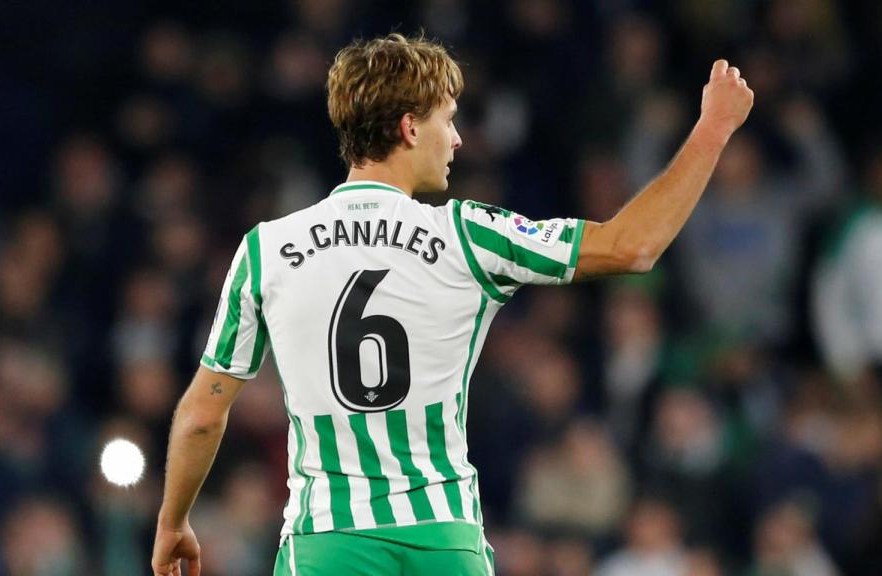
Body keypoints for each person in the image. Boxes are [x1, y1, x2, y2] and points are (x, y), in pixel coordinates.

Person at [151, 33, 752, 576]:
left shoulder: (267, 250)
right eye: (449, 119)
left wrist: (173, 522)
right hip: (444, 537)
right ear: (411, 128)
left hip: (328, 539)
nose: (458, 139)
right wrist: (713, 130)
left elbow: (204, 414)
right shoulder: (467, 234)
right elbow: (632, 246)